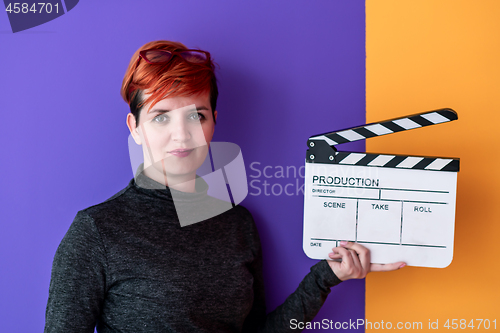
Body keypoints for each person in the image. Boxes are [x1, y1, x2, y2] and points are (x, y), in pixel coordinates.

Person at [44, 40, 405, 333]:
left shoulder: (238, 224)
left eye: (196, 115)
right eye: (160, 117)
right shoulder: (97, 231)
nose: (181, 135)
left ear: (214, 121)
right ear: (135, 127)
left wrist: (326, 277)